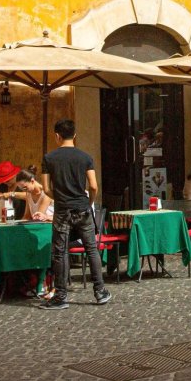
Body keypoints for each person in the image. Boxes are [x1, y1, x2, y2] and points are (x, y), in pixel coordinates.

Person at [40, 118, 111, 310]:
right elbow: (93, 186)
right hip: (83, 208)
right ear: (75, 135)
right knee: (91, 248)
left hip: (62, 210)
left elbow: (46, 188)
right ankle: (100, 291)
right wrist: (88, 202)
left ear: (57, 136)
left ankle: (61, 295)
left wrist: (60, 196)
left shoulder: (49, 158)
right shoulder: (85, 157)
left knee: (60, 251)